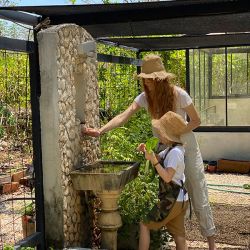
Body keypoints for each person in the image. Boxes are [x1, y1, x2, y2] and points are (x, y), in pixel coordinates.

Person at [83, 54, 217, 250]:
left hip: (186, 143)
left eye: (149, 78)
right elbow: (124, 116)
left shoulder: (179, 94)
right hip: (164, 145)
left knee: (198, 191)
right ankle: (173, 235)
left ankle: (212, 244)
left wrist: (177, 131)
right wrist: (100, 131)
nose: (146, 82)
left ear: (160, 79)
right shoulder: (145, 98)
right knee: (168, 190)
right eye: (144, 78)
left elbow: (196, 121)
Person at [137, 111, 188, 250]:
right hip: (180, 199)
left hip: (172, 199)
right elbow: (159, 158)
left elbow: (167, 177)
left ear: (168, 134)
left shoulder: (175, 153)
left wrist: (153, 161)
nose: (159, 135)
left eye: (161, 132)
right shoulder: (172, 149)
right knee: (179, 235)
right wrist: (146, 151)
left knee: (144, 224)